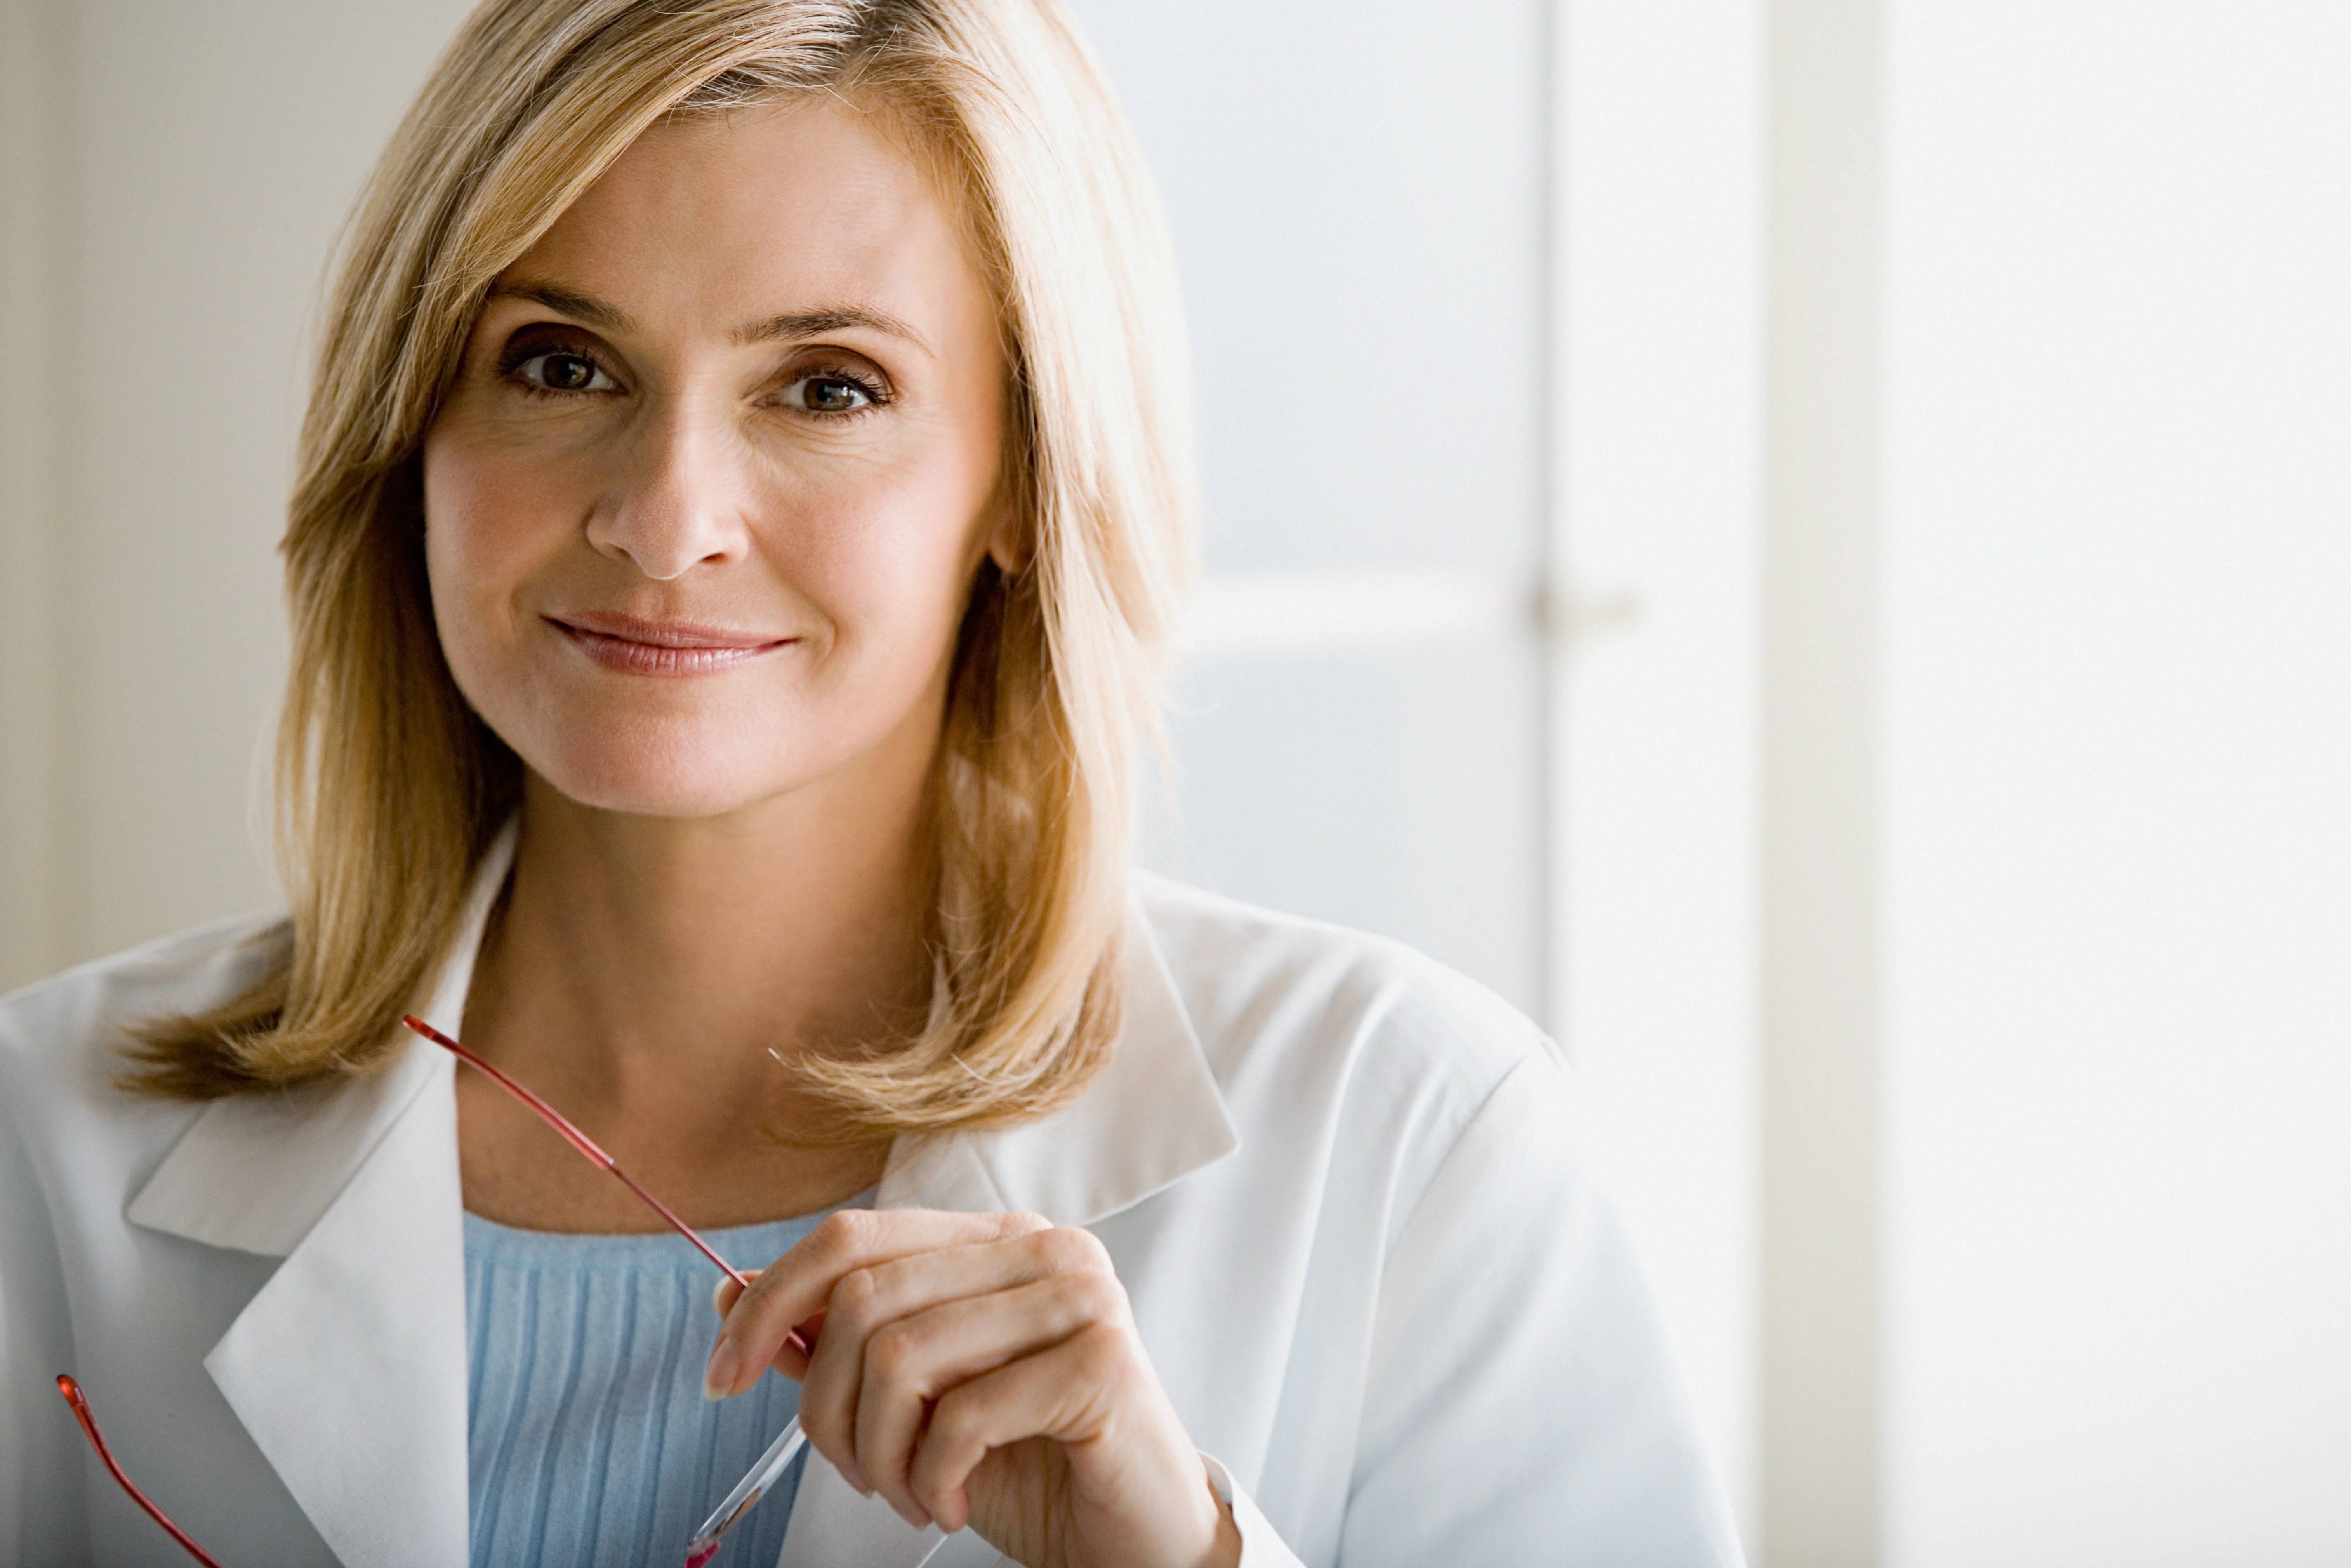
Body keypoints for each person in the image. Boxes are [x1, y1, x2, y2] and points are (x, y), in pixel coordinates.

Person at [0, 2, 1745, 1564]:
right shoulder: (40, 1137)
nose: (665, 517)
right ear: (414, 428)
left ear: (1020, 482)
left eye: (828, 387)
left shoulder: (1416, 1138)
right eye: (560, 362)